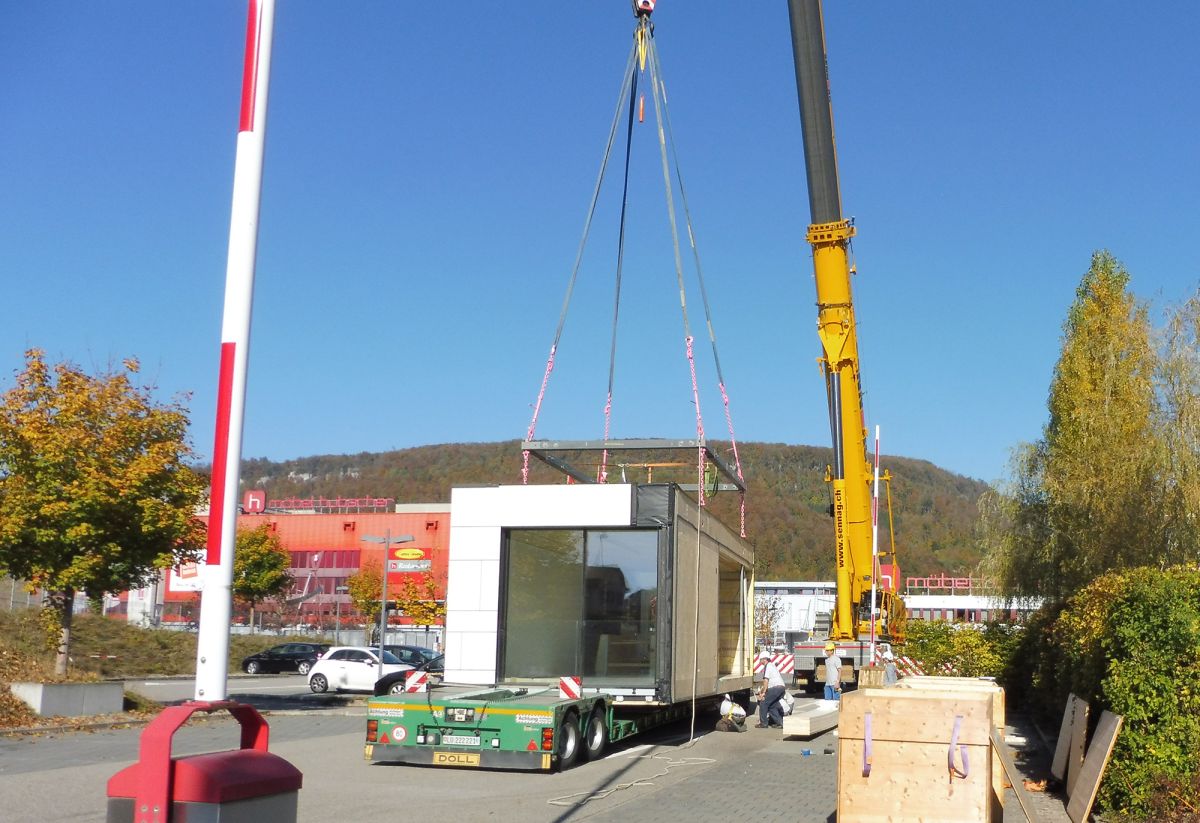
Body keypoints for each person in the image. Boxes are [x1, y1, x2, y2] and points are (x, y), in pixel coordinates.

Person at [755, 650, 788, 728]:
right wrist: (762, 690)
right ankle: (780, 723)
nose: (760, 661)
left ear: (764, 659)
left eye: (760, 659)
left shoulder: (768, 666)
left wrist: (763, 693)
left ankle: (763, 723)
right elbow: (767, 684)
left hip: (776, 688)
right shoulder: (772, 665)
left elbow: (766, 681)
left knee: (763, 702)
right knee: (772, 705)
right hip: (781, 688)